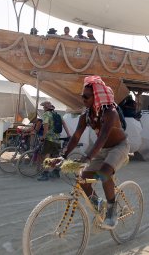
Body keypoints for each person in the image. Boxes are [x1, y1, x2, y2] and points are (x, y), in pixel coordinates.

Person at [62, 75, 130, 229]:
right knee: (83, 177)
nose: (83, 99)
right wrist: (63, 156)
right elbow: (76, 136)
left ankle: (112, 210)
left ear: (97, 96)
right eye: (82, 96)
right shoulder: (86, 115)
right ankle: (100, 206)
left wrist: (87, 158)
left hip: (118, 146)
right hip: (103, 149)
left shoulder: (110, 112)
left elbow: (103, 137)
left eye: (86, 96)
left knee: (104, 173)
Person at [37, 101, 63, 181]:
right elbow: (64, 124)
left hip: (49, 139)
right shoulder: (57, 114)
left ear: (46, 108)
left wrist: (43, 136)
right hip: (57, 138)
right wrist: (68, 134)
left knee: (47, 155)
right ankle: (56, 171)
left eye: (44, 107)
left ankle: (45, 174)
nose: (43, 108)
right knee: (56, 156)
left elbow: (46, 127)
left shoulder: (46, 115)